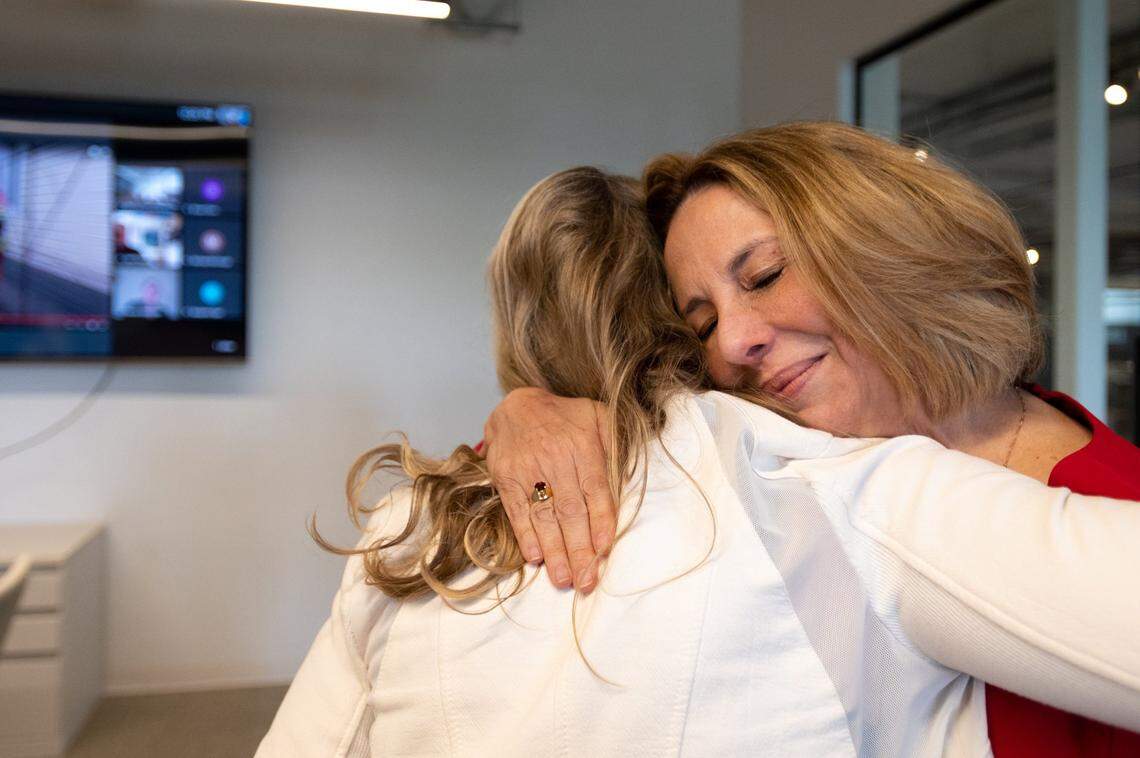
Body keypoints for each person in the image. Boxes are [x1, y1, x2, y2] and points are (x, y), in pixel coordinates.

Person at [259, 164, 1140, 757]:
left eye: (762, 277)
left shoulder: (410, 525)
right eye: (706, 320)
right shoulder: (835, 486)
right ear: (674, 337)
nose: (747, 340)